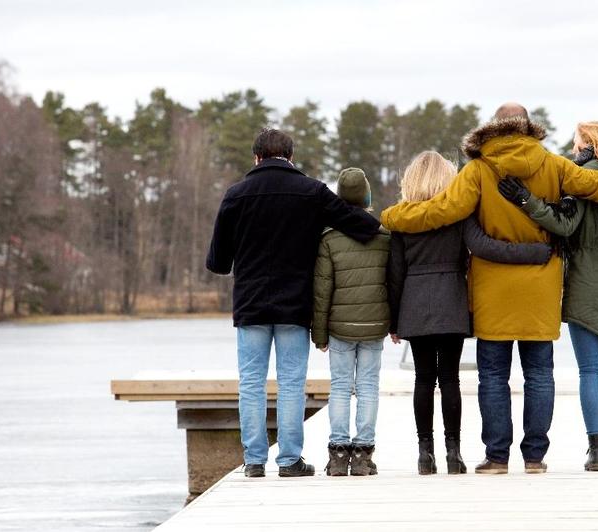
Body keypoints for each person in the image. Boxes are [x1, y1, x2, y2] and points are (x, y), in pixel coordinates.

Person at [379, 103, 598, 474]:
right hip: (541, 285)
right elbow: (597, 185)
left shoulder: (478, 169)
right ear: (527, 128)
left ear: (493, 128)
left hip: (493, 289)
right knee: (539, 374)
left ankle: (497, 457)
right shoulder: (552, 164)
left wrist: (392, 216)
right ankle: (535, 457)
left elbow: (439, 211)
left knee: (494, 376)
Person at [206, 129, 381, 478]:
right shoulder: (311, 192)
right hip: (295, 305)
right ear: (291, 156)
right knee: (290, 383)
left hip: (251, 304)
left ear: (256, 158)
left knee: (251, 383)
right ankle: (289, 461)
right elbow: (363, 226)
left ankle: (254, 462)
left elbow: (218, 263)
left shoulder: (235, 195)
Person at [497, 121, 598, 471]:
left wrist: (527, 201)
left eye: (576, 142)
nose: (572, 149)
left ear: (587, 144)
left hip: (586, 287)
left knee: (589, 372)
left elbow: (563, 224)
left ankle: (596, 451)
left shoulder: (578, 180)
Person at [387, 151, 552, 475]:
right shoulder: (458, 217)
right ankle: (454, 451)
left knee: (423, 379)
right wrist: (535, 251)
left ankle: (425, 453)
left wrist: (394, 321)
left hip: (415, 304)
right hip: (452, 300)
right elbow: (482, 250)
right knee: (449, 378)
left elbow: (394, 274)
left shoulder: (401, 220)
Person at [311, 167, 391, 477]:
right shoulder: (384, 236)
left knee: (341, 387)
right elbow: (392, 281)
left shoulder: (328, 239)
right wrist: (393, 322)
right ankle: (363, 455)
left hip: (339, 326)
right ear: (368, 197)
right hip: (374, 325)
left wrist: (319, 333)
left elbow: (322, 289)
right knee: (369, 386)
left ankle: (338, 454)